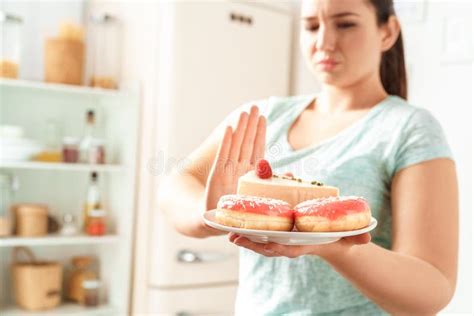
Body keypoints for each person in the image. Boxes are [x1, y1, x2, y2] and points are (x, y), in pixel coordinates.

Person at [158, 0, 459, 314]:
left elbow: (432, 289)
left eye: (345, 24)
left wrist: (338, 249)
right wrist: (211, 214)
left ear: (387, 32)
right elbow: (175, 184)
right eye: (312, 26)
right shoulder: (265, 116)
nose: (324, 42)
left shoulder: (410, 129)